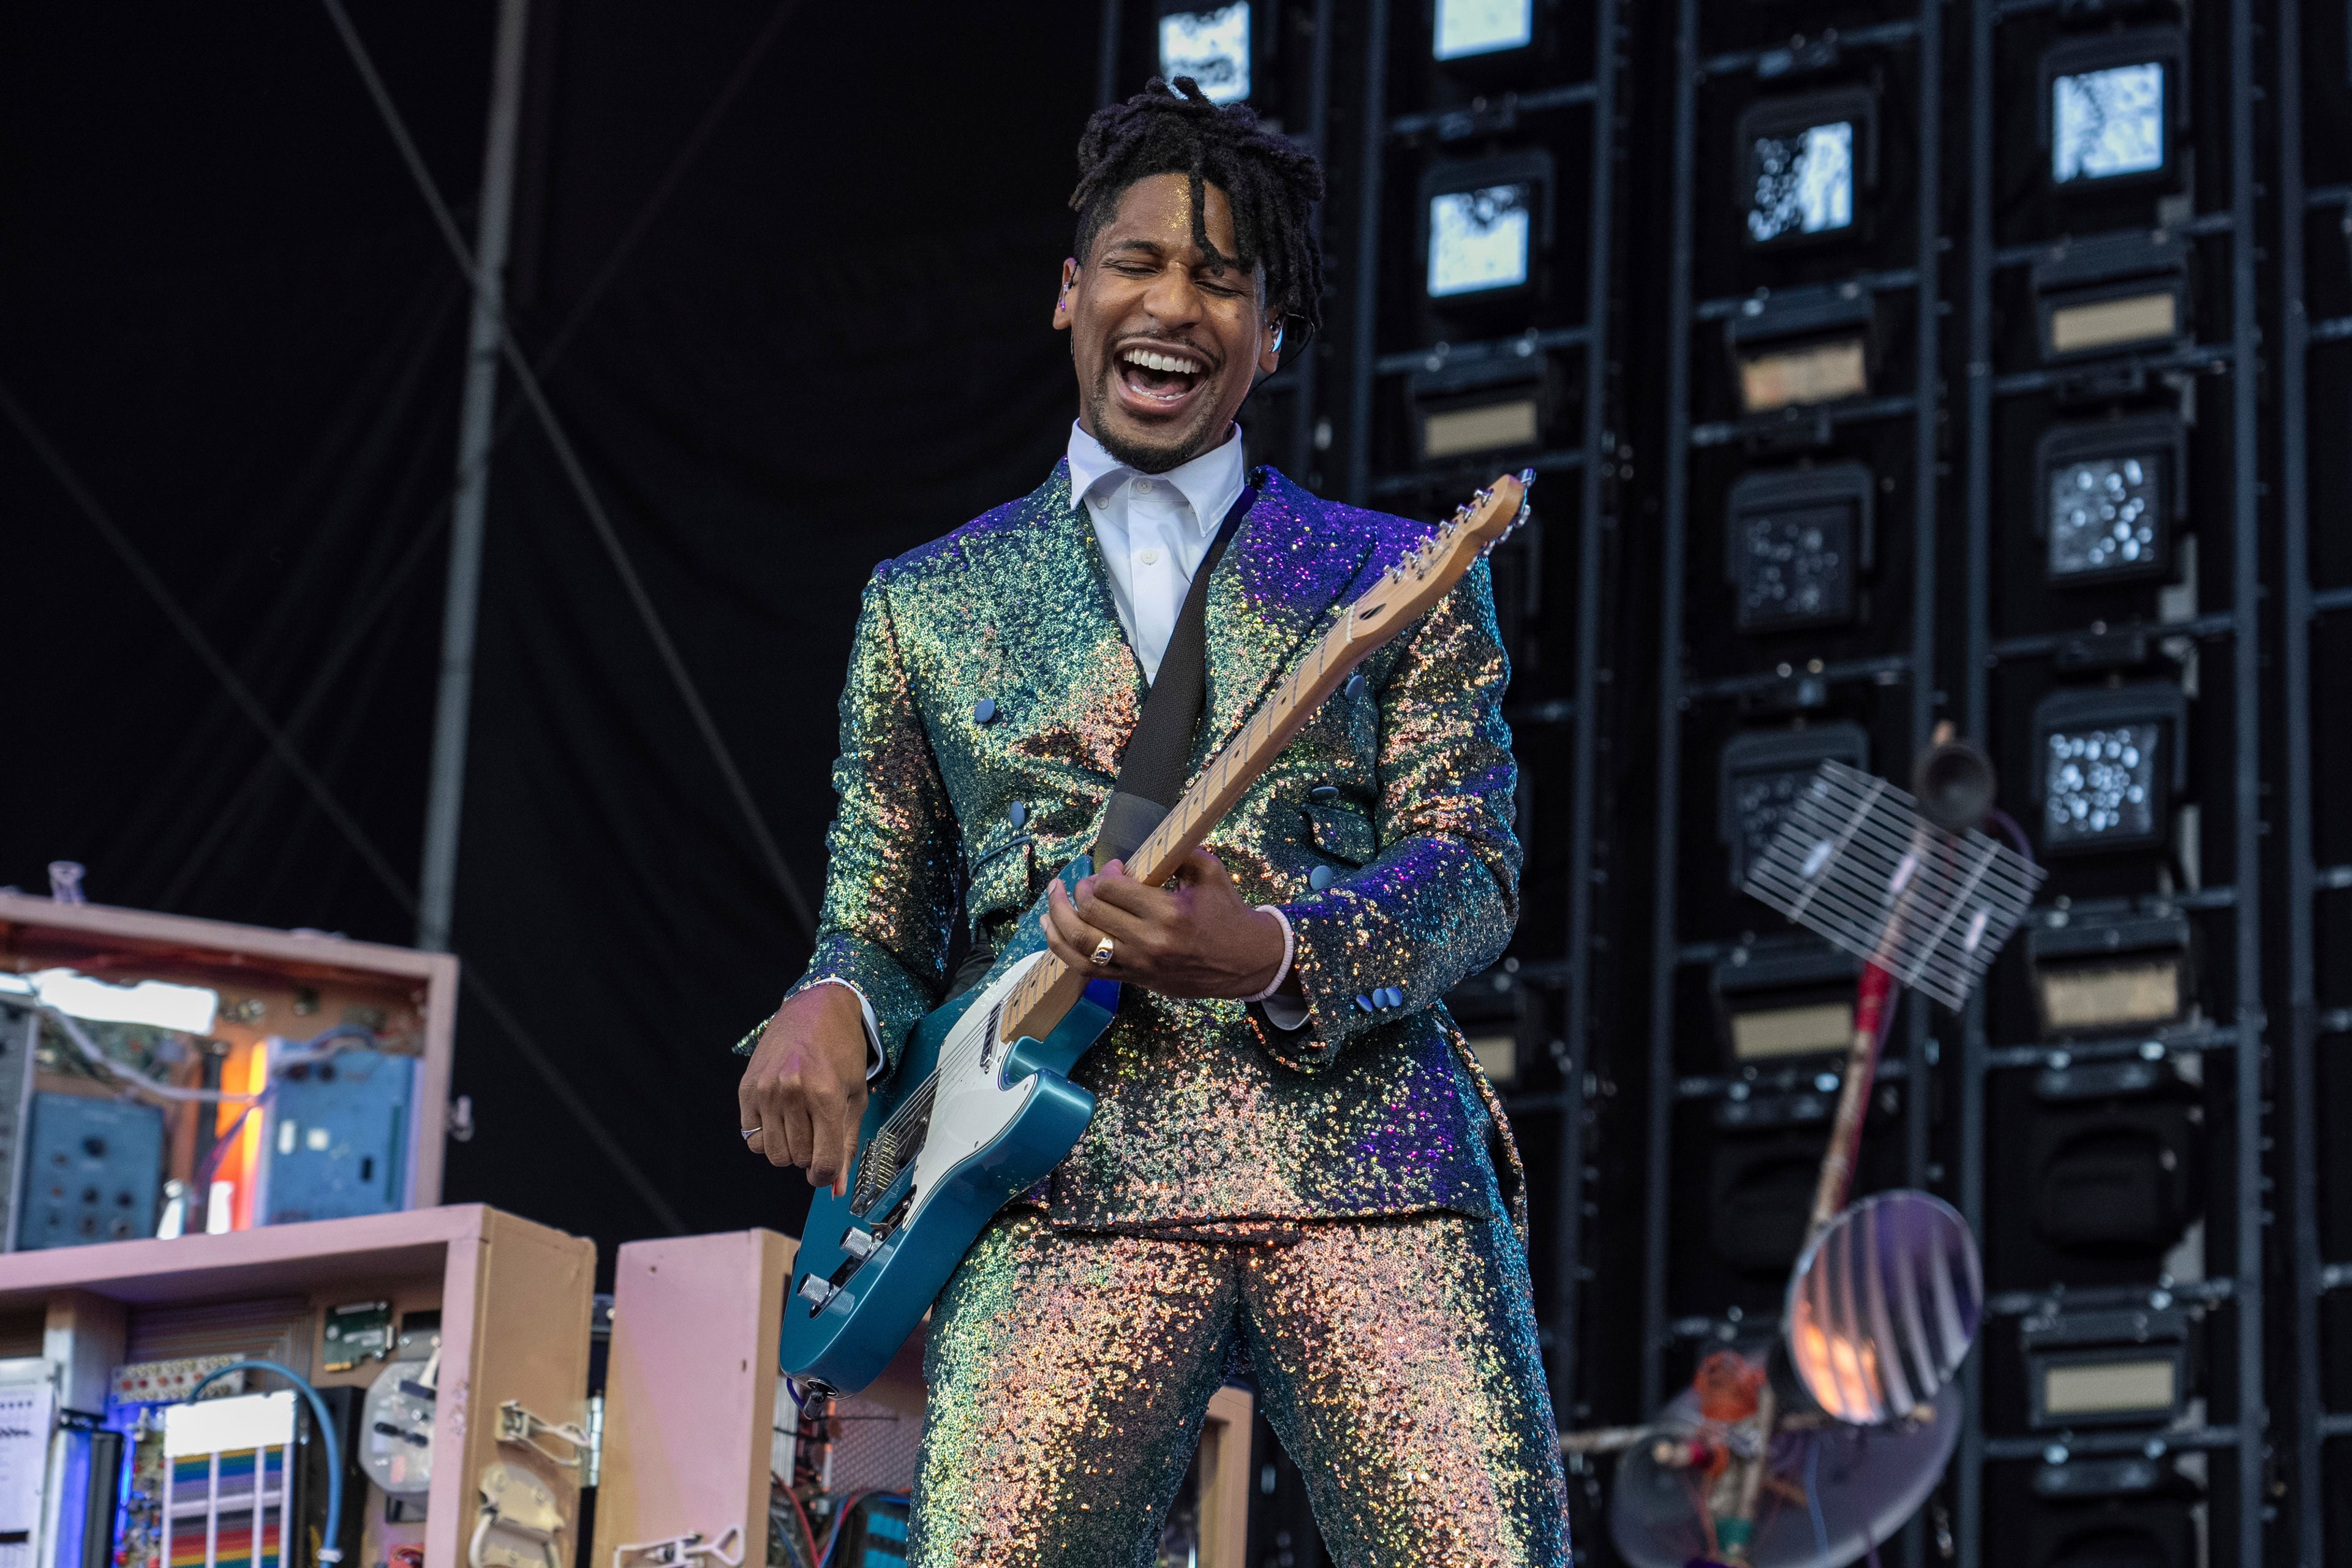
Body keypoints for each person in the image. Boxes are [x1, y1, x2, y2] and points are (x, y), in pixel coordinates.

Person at [736, 77, 1570, 1567]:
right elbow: (877, 911)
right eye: (1139, 261)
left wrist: (1268, 949)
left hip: (1368, 1168)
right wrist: (826, 1000)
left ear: (1269, 333)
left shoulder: (1393, 571)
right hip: (1051, 1182)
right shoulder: (923, 602)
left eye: (1223, 277)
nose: (1173, 302)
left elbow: (1477, 863)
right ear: (1070, 294)